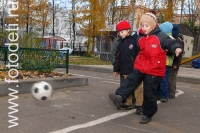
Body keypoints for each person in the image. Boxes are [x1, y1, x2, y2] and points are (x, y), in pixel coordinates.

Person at [109, 12, 183, 124]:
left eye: (146, 25)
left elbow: (170, 42)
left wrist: (176, 48)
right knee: (131, 79)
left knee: (148, 94)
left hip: (154, 70)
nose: (144, 28)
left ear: (153, 25)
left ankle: (148, 113)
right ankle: (119, 96)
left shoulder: (160, 36)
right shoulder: (140, 37)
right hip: (141, 66)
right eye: (142, 25)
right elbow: (131, 43)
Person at [110, 20, 144, 114]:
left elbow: (140, 54)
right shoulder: (120, 44)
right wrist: (116, 69)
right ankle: (127, 103)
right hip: (125, 70)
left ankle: (140, 105)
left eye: (122, 32)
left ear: (128, 30)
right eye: (119, 33)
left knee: (138, 88)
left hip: (136, 70)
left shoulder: (134, 41)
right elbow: (117, 58)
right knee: (126, 87)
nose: (120, 34)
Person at [156, 21, 174, 103]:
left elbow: (171, 50)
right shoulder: (163, 37)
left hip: (166, 63)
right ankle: (158, 94)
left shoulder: (169, 38)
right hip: (160, 62)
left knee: (164, 80)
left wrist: (163, 50)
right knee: (158, 79)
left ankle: (164, 95)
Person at [168, 24, 185, 99]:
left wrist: (176, 63)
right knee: (171, 77)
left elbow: (179, 54)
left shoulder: (178, 40)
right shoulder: (176, 39)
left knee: (172, 78)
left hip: (174, 61)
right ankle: (170, 92)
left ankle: (171, 92)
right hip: (172, 61)